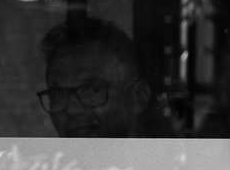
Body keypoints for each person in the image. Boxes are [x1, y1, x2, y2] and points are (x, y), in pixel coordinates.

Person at [38, 16, 173, 138]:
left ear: (138, 97)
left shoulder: (165, 163)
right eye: (58, 95)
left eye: (93, 90)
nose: (72, 110)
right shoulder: (43, 164)